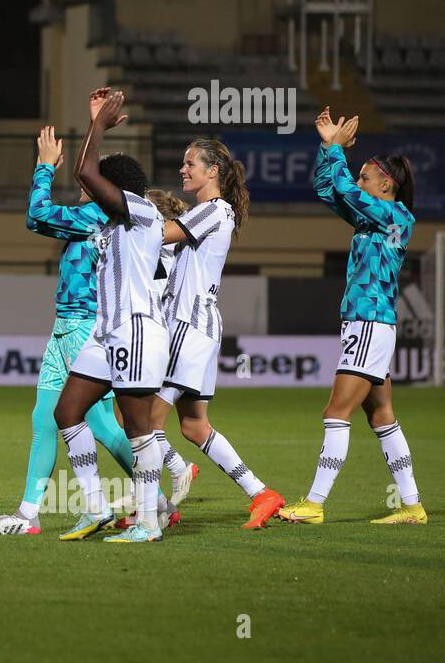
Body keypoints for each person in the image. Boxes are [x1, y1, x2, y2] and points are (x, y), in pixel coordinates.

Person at [0, 121, 137, 535]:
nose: (84, 179)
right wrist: (95, 121)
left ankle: (159, 492)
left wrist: (44, 166)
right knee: (45, 419)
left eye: (93, 176)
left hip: (86, 328)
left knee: (100, 424)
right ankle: (29, 514)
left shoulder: (93, 216)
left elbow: (37, 216)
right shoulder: (97, 215)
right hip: (65, 327)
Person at [279, 109, 426, 525]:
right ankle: (412, 507)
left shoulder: (396, 216)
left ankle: (314, 504)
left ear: (387, 184)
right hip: (369, 325)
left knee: (335, 412)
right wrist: (328, 148)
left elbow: (345, 187)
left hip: (368, 323)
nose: (359, 181)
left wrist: (337, 149)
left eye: (366, 176)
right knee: (381, 416)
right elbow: (330, 189)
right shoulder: (374, 217)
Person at [148, 140, 285, 530]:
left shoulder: (212, 210)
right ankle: (261, 493)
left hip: (188, 326)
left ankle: (154, 510)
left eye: (190, 163)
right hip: (202, 325)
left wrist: (122, 215)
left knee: (143, 422)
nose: (182, 169)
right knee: (193, 426)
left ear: (213, 171)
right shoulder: (211, 213)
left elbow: (160, 235)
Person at [52, 90, 170, 543]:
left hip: (137, 329)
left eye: (100, 187)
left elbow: (85, 170)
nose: (89, 191)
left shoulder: (141, 212)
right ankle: (96, 509)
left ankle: (148, 522)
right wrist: (92, 122)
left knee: (138, 428)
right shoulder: (107, 222)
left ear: (115, 190)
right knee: (68, 412)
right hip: (106, 333)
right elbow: (84, 177)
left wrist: (98, 124)